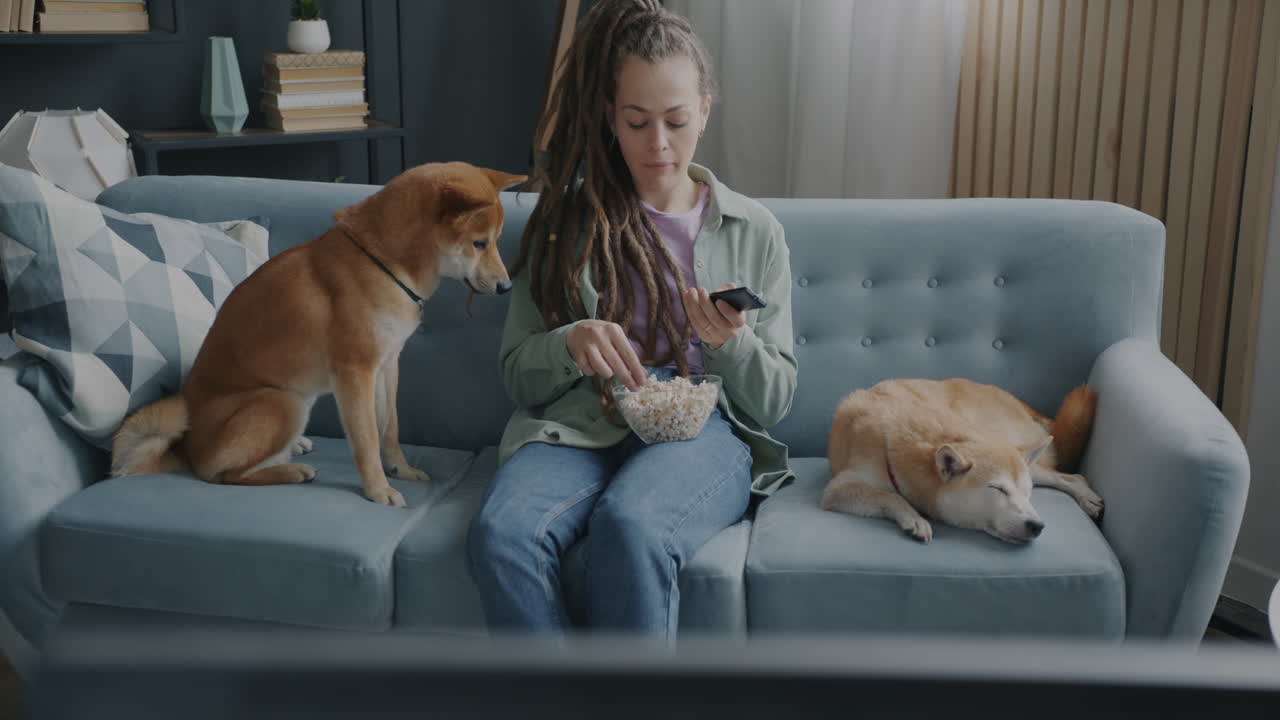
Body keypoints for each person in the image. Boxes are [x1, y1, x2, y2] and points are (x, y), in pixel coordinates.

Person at [467, 0, 797, 643]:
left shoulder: (753, 230)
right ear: (608, 118)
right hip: (576, 424)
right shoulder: (566, 223)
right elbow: (518, 375)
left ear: (705, 107)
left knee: (632, 524)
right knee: (502, 536)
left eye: (676, 120)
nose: (658, 144)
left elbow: (776, 400)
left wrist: (728, 344)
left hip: (702, 431)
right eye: (637, 121)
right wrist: (571, 341)